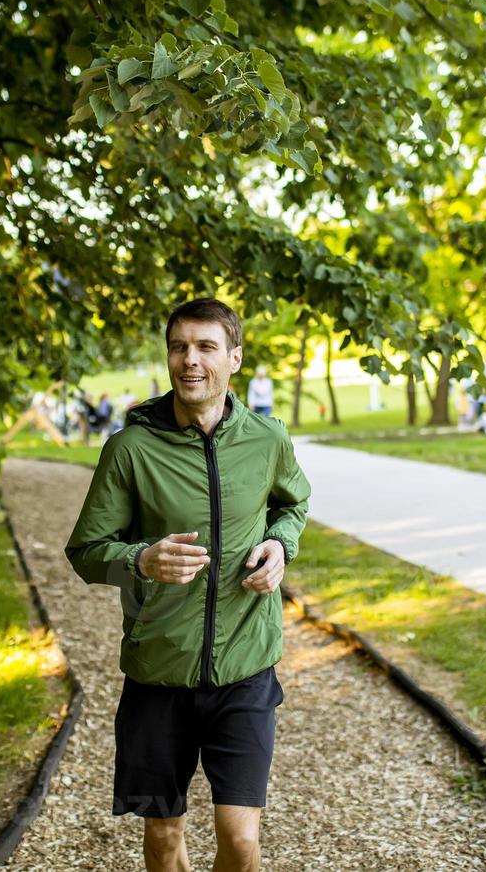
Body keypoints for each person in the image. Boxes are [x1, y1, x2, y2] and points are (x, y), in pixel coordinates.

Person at [65, 298, 312, 872]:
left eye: (206, 347)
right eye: (179, 347)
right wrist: (141, 559)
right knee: (163, 837)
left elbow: (292, 506)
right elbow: (85, 553)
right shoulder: (130, 449)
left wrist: (280, 545)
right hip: (159, 671)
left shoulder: (268, 439)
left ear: (234, 359)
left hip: (246, 668)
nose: (190, 361)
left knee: (242, 840)